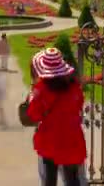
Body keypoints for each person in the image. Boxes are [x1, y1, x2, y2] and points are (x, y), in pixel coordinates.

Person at [25, 48, 87, 186]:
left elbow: (33, 115)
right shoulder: (74, 86)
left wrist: (32, 95)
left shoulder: (41, 89)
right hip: (72, 136)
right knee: (72, 178)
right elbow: (79, 105)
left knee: (49, 179)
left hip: (50, 138)